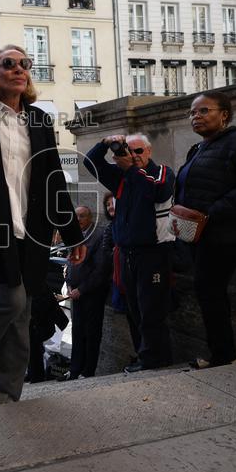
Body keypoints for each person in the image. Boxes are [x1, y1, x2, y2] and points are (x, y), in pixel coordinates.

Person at [0, 45, 86, 405]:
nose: (19, 69)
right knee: (10, 299)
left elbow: (53, 181)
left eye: (24, 64)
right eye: (8, 64)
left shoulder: (39, 120)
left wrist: (72, 232)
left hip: (32, 228)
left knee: (24, 313)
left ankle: (7, 395)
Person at [175, 91, 236, 369]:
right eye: (192, 113)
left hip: (230, 231)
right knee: (208, 289)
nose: (196, 117)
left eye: (204, 111)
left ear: (224, 115)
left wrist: (211, 213)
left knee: (209, 287)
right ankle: (221, 352)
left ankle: (222, 354)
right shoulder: (198, 149)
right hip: (201, 231)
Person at [84, 132, 175, 373]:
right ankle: (144, 356)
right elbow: (90, 162)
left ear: (149, 151)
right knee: (134, 309)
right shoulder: (120, 178)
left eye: (138, 151)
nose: (133, 156)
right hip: (126, 253)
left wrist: (132, 171)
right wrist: (104, 143)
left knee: (151, 310)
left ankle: (155, 359)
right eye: (128, 151)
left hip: (154, 253)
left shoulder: (162, 173)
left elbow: (158, 193)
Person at [64, 204, 114, 379]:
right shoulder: (75, 235)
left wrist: (82, 289)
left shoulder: (99, 235)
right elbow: (70, 262)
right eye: (75, 216)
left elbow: (102, 269)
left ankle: (87, 372)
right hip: (75, 293)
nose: (78, 220)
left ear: (90, 218)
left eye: (82, 216)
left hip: (92, 294)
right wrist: (69, 284)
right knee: (77, 332)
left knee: (91, 333)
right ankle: (75, 369)